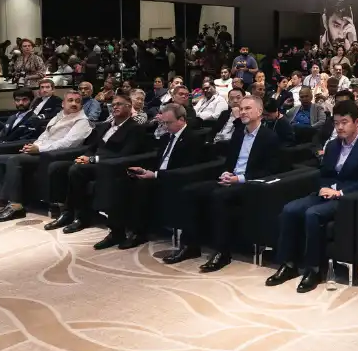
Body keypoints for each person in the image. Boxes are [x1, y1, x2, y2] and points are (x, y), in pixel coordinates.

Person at [266, 99, 358, 293]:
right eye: (336, 123)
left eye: (344, 122)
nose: (340, 127)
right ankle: (288, 264)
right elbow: (324, 173)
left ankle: (314, 269)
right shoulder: (333, 145)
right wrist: (324, 188)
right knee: (289, 210)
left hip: (347, 197)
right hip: (326, 192)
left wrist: (339, 192)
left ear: (356, 122)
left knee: (313, 214)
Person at [174, 96, 284, 272]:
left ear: (259, 112)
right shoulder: (239, 133)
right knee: (190, 191)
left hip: (250, 184)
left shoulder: (269, 137)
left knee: (219, 196)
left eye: (247, 108)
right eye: (241, 108)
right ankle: (190, 245)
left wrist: (238, 179)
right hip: (231, 179)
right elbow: (230, 161)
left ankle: (222, 252)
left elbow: (270, 170)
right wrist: (226, 172)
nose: (243, 112)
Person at [94, 103, 207, 250]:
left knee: (141, 186)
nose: (165, 126)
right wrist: (144, 170)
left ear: (181, 119)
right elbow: (158, 160)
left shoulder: (193, 138)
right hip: (157, 174)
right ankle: (116, 232)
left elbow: (187, 168)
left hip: (174, 179)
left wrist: (155, 174)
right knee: (120, 182)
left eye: (168, 123)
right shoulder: (166, 137)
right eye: (163, 123)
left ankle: (139, 233)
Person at [43, 92, 149, 232]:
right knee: (57, 167)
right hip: (94, 162)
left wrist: (92, 160)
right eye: (113, 104)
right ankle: (66, 212)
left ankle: (82, 217)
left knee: (77, 170)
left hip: (111, 166)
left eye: (119, 104)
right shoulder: (105, 126)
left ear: (129, 107)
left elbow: (125, 154)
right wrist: (84, 157)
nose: (115, 107)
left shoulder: (135, 128)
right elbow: (92, 148)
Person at [0, 91, 93, 223]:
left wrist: (39, 149)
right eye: (70, 100)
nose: (74, 104)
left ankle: (16, 206)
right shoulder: (58, 117)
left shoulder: (82, 121)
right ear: (63, 103)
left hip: (54, 155)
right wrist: (33, 146)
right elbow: (44, 136)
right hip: (41, 152)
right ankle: (6, 201)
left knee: (15, 160)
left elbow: (68, 143)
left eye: (77, 101)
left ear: (81, 105)